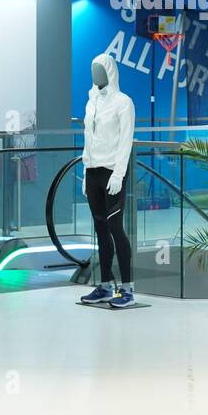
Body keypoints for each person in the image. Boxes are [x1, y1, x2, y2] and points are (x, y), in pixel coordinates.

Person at [79, 53, 137, 308]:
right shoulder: (91, 102)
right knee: (100, 230)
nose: (96, 75)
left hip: (112, 172)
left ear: (110, 72)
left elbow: (126, 140)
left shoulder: (123, 103)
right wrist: (85, 170)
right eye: (93, 70)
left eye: (100, 70)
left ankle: (127, 289)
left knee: (116, 229)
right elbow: (88, 138)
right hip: (93, 172)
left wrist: (119, 173)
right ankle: (104, 284)